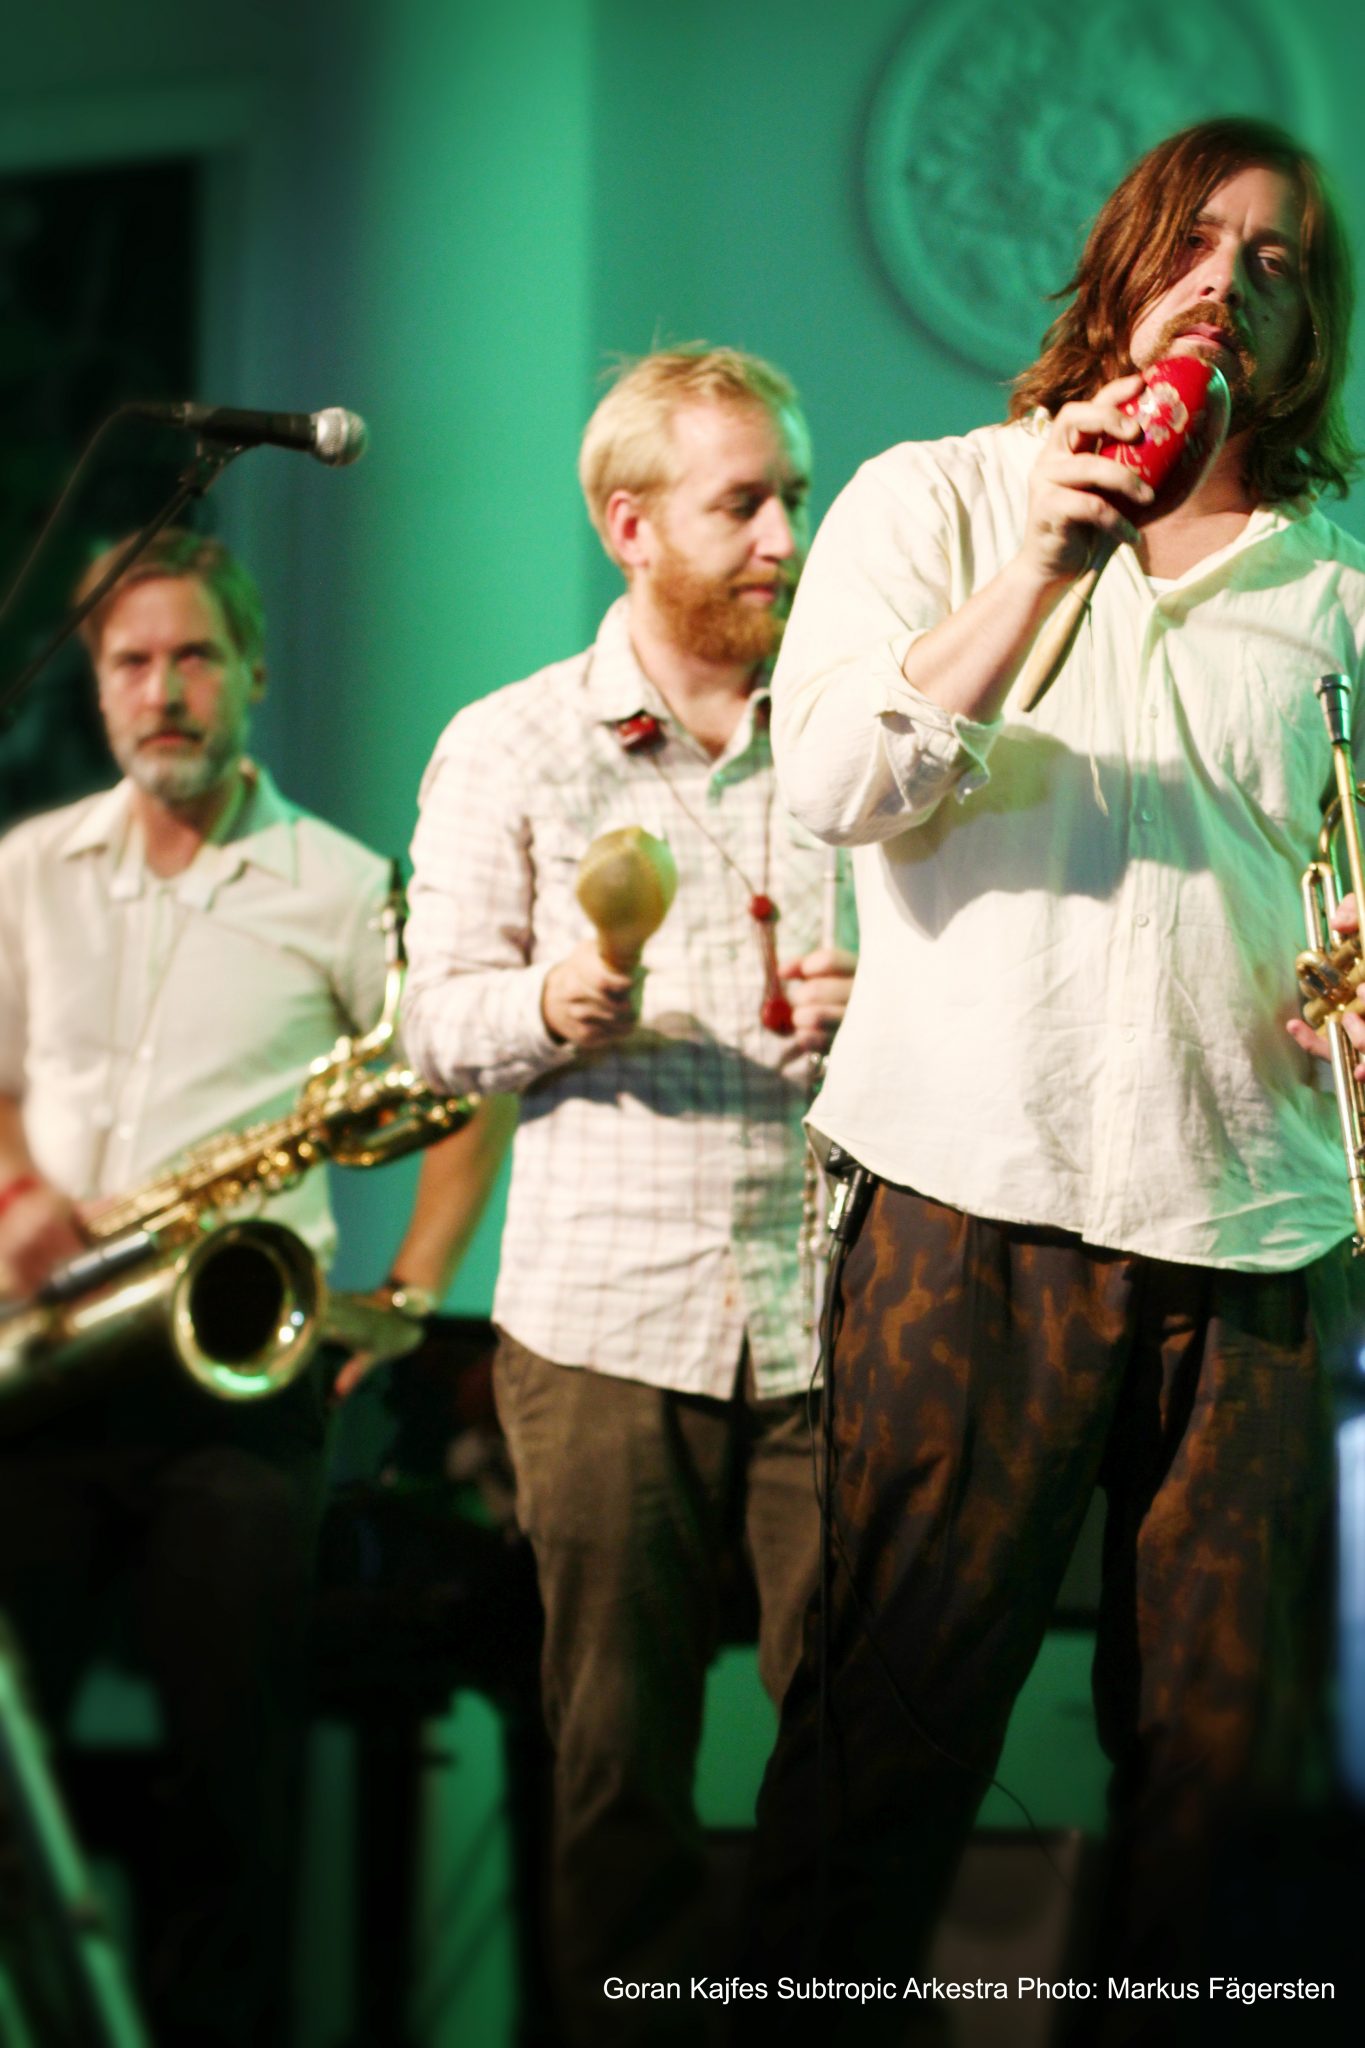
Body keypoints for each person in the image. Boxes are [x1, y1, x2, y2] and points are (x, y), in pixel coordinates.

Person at [746, 117, 1365, 2020]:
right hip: (967, 1200)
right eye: (1196, 240)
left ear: (1309, 331)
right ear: (1122, 265)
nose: (1227, 280)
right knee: (884, 1739)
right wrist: (1038, 558)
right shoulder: (935, 497)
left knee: (1221, 1781)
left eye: (1276, 260)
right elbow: (830, 782)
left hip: (1251, 1229)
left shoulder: (1339, 588)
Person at [0, 528, 509, 2048]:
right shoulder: (25, 871)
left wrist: (410, 1290)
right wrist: (19, 1195)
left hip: (233, 1382)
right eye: (131, 662)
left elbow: (461, 1091)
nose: (164, 691)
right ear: (97, 687)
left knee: (227, 1785)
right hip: (46, 1358)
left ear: (254, 673)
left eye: (194, 657)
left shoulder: (343, 886)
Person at [402, 347, 857, 2042]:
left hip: (834, 1314)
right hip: (606, 1322)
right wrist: (551, 1001)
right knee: (617, 1777)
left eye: (792, 496)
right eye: (743, 504)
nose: (784, 536)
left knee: (862, 1762)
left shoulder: (858, 731)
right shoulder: (511, 744)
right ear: (630, 524)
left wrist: (881, 1006)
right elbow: (429, 1026)